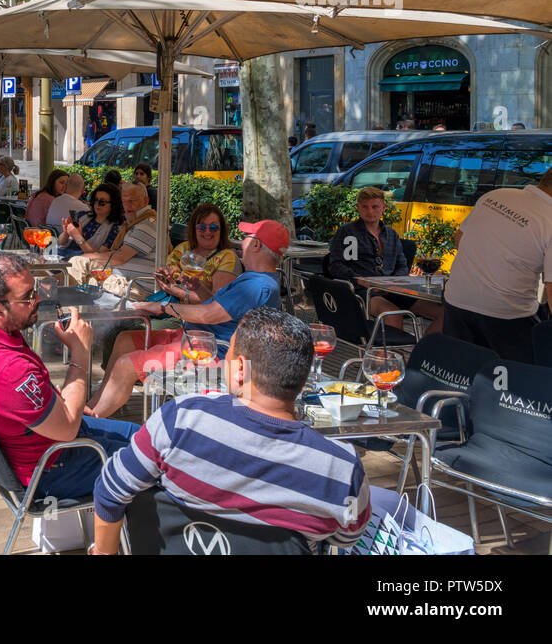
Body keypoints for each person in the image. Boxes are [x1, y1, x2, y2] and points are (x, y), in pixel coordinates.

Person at [89, 308, 371, 554]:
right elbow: (346, 538)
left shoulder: (180, 420)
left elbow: (111, 489)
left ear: (239, 369)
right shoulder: (342, 470)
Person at [0, 253, 140, 500]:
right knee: (156, 459)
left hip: (34, 442)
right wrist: (80, 352)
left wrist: (68, 405)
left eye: (35, 289)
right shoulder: (9, 371)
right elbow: (68, 430)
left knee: (145, 435)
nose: (38, 298)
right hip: (50, 467)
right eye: (27, 297)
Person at [85, 219, 287, 417]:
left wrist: (164, 306)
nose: (240, 241)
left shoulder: (257, 285)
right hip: (195, 337)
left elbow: (210, 315)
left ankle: (88, 424)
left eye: (245, 237)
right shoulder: (255, 279)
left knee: (125, 365)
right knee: (125, 339)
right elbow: (219, 306)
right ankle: (91, 408)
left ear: (257, 245)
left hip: (211, 351)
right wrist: (198, 288)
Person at [442, 168, 552, 363]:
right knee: (515, 380)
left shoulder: (496, 195)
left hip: (457, 300)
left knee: (458, 370)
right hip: (506, 314)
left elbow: (459, 238)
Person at [327, 186, 443, 334]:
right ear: (358, 208)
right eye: (365, 207)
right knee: (393, 315)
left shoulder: (392, 235)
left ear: (383, 208)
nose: (370, 211)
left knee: (445, 314)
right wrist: (359, 280)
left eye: (375, 207)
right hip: (361, 291)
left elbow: (402, 265)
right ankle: (389, 357)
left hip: (392, 290)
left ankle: (421, 353)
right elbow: (336, 265)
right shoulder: (348, 232)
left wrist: (392, 284)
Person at [66, 182, 160, 283]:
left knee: (77, 264)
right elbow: (116, 253)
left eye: (132, 200)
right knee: (75, 267)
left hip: (133, 284)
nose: (127, 205)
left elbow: (120, 258)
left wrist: (84, 252)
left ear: (146, 201)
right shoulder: (132, 224)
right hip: (118, 277)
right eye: (124, 201)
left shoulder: (147, 224)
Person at [153, 202, 239, 304]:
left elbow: (218, 304)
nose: (207, 232)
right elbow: (169, 285)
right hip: (170, 307)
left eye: (213, 227)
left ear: (222, 230)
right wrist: (165, 280)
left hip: (196, 316)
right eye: (201, 227)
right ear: (194, 229)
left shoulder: (227, 257)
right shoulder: (183, 248)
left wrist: (179, 293)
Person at [57, 182, 123, 259]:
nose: (97, 204)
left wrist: (78, 237)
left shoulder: (115, 230)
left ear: (114, 205)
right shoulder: (81, 215)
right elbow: (60, 243)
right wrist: (66, 233)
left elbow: (99, 256)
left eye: (102, 202)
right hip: (60, 257)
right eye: (95, 200)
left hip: (79, 264)